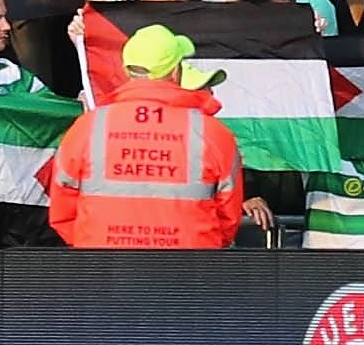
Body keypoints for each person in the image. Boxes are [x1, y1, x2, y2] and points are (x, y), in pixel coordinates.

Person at [44, 21, 250, 246]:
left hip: (105, 266)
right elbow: (229, 215)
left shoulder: (88, 127)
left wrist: (92, 241)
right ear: (174, 71)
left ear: (127, 71)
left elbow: (62, 207)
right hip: (188, 268)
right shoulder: (212, 132)